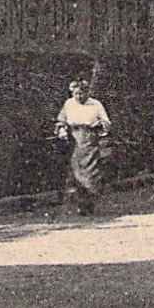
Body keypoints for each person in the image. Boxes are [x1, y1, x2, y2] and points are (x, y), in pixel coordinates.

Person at [54, 77, 111, 215]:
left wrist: (101, 126)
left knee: (91, 174)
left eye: (82, 94)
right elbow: (61, 120)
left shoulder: (95, 104)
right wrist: (62, 130)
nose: (79, 97)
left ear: (87, 92)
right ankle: (80, 204)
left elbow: (106, 122)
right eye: (76, 94)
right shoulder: (69, 104)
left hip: (90, 140)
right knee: (75, 174)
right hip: (74, 141)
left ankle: (89, 203)